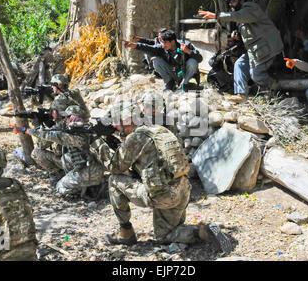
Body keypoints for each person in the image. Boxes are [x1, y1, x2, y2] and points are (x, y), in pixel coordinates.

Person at [95, 101, 231, 252]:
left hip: (163, 196)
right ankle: (204, 231)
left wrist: (99, 145)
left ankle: (126, 233)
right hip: (182, 189)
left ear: (127, 120)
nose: (114, 126)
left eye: (116, 122)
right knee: (166, 235)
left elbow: (115, 167)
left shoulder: (136, 138)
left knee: (113, 180)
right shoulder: (159, 130)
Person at [198, 0, 284, 103]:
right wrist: (237, 37)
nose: (230, 4)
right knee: (240, 64)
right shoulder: (242, 16)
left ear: (241, 0)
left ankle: (277, 89)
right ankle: (241, 94)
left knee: (256, 74)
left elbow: (239, 16)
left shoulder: (250, 8)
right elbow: (248, 33)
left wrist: (216, 15)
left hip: (268, 47)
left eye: (233, 1)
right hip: (256, 50)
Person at [14, 105, 106, 199]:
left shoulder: (76, 135)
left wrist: (24, 130)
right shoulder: (88, 129)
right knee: (65, 157)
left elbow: (49, 135)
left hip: (88, 171)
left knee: (60, 187)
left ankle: (85, 192)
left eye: (67, 117)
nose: (65, 120)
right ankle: (89, 186)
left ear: (74, 118)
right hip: (93, 167)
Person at [122, 29, 203, 91]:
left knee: (193, 62)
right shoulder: (163, 47)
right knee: (156, 61)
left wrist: (188, 51)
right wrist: (134, 45)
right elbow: (149, 48)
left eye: (165, 43)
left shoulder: (185, 44)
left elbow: (199, 58)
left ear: (173, 41)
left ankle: (184, 84)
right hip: (174, 73)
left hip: (185, 73)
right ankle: (170, 83)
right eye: (162, 43)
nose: (163, 45)